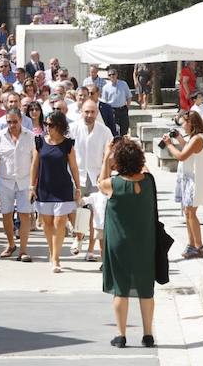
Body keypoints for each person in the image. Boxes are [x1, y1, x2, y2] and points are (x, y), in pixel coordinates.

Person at [99, 138, 157, 349]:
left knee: (120, 289)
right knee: (145, 288)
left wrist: (107, 155)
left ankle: (121, 335)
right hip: (144, 242)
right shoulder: (149, 182)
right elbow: (145, 169)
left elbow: (100, 181)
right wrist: (134, 150)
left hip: (119, 243)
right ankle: (148, 334)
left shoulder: (113, 184)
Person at [30, 110, 80, 273]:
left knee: (59, 223)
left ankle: (56, 258)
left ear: (59, 126)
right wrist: (32, 186)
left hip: (63, 189)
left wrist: (78, 187)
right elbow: (35, 165)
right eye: (45, 124)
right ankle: (52, 253)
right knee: (48, 224)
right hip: (44, 188)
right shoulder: (39, 142)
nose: (47, 127)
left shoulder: (68, 144)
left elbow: (73, 167)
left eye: (50, 125)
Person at [70, 100, 113, 261]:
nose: (89, 115)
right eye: (86, 112)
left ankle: (90, 250)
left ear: (97, 113)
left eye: (92, 112)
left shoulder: (104, 131)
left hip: (97, 177)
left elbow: (108, 157)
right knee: (81, 210)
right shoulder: (73, 129)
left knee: (96, 213)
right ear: (81, 111)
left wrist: (106, 178)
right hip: (78, 175)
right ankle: (79, 238)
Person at [162, 110, 203, 259]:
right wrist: (180, 139)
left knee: (191, 213)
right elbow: (187, 149)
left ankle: (199, 246)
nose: (183, 127)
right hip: (190, 179)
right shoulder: (194, 138)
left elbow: (182, 156)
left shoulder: (197, 139)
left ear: (190, 123)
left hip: (195, 180)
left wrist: (169, 145)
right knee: (187, 212)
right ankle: (192, 244)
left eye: (183, 124)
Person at [0, 108, 35, 262]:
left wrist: (33, 184)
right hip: (5, 181)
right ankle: (11, 244)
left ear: (21, 120)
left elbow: (35, 161)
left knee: (24, 215)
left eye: (15, 121)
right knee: (6, 215)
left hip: (25, 182)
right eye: (9, 122)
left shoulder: (30, 137)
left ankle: (23, 250)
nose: (12, 125)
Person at [100, 68, 132, 137]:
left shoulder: (123, 84)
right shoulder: (105, 87)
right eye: (110, 75)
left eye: (113, 74)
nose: (112, 76)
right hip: (112, 110)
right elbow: (104, 101)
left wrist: (127, 107)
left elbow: (129, 96)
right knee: (113, 129)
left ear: (117, 75)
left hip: (123, 109)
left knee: (124, 129)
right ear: (108, 77)